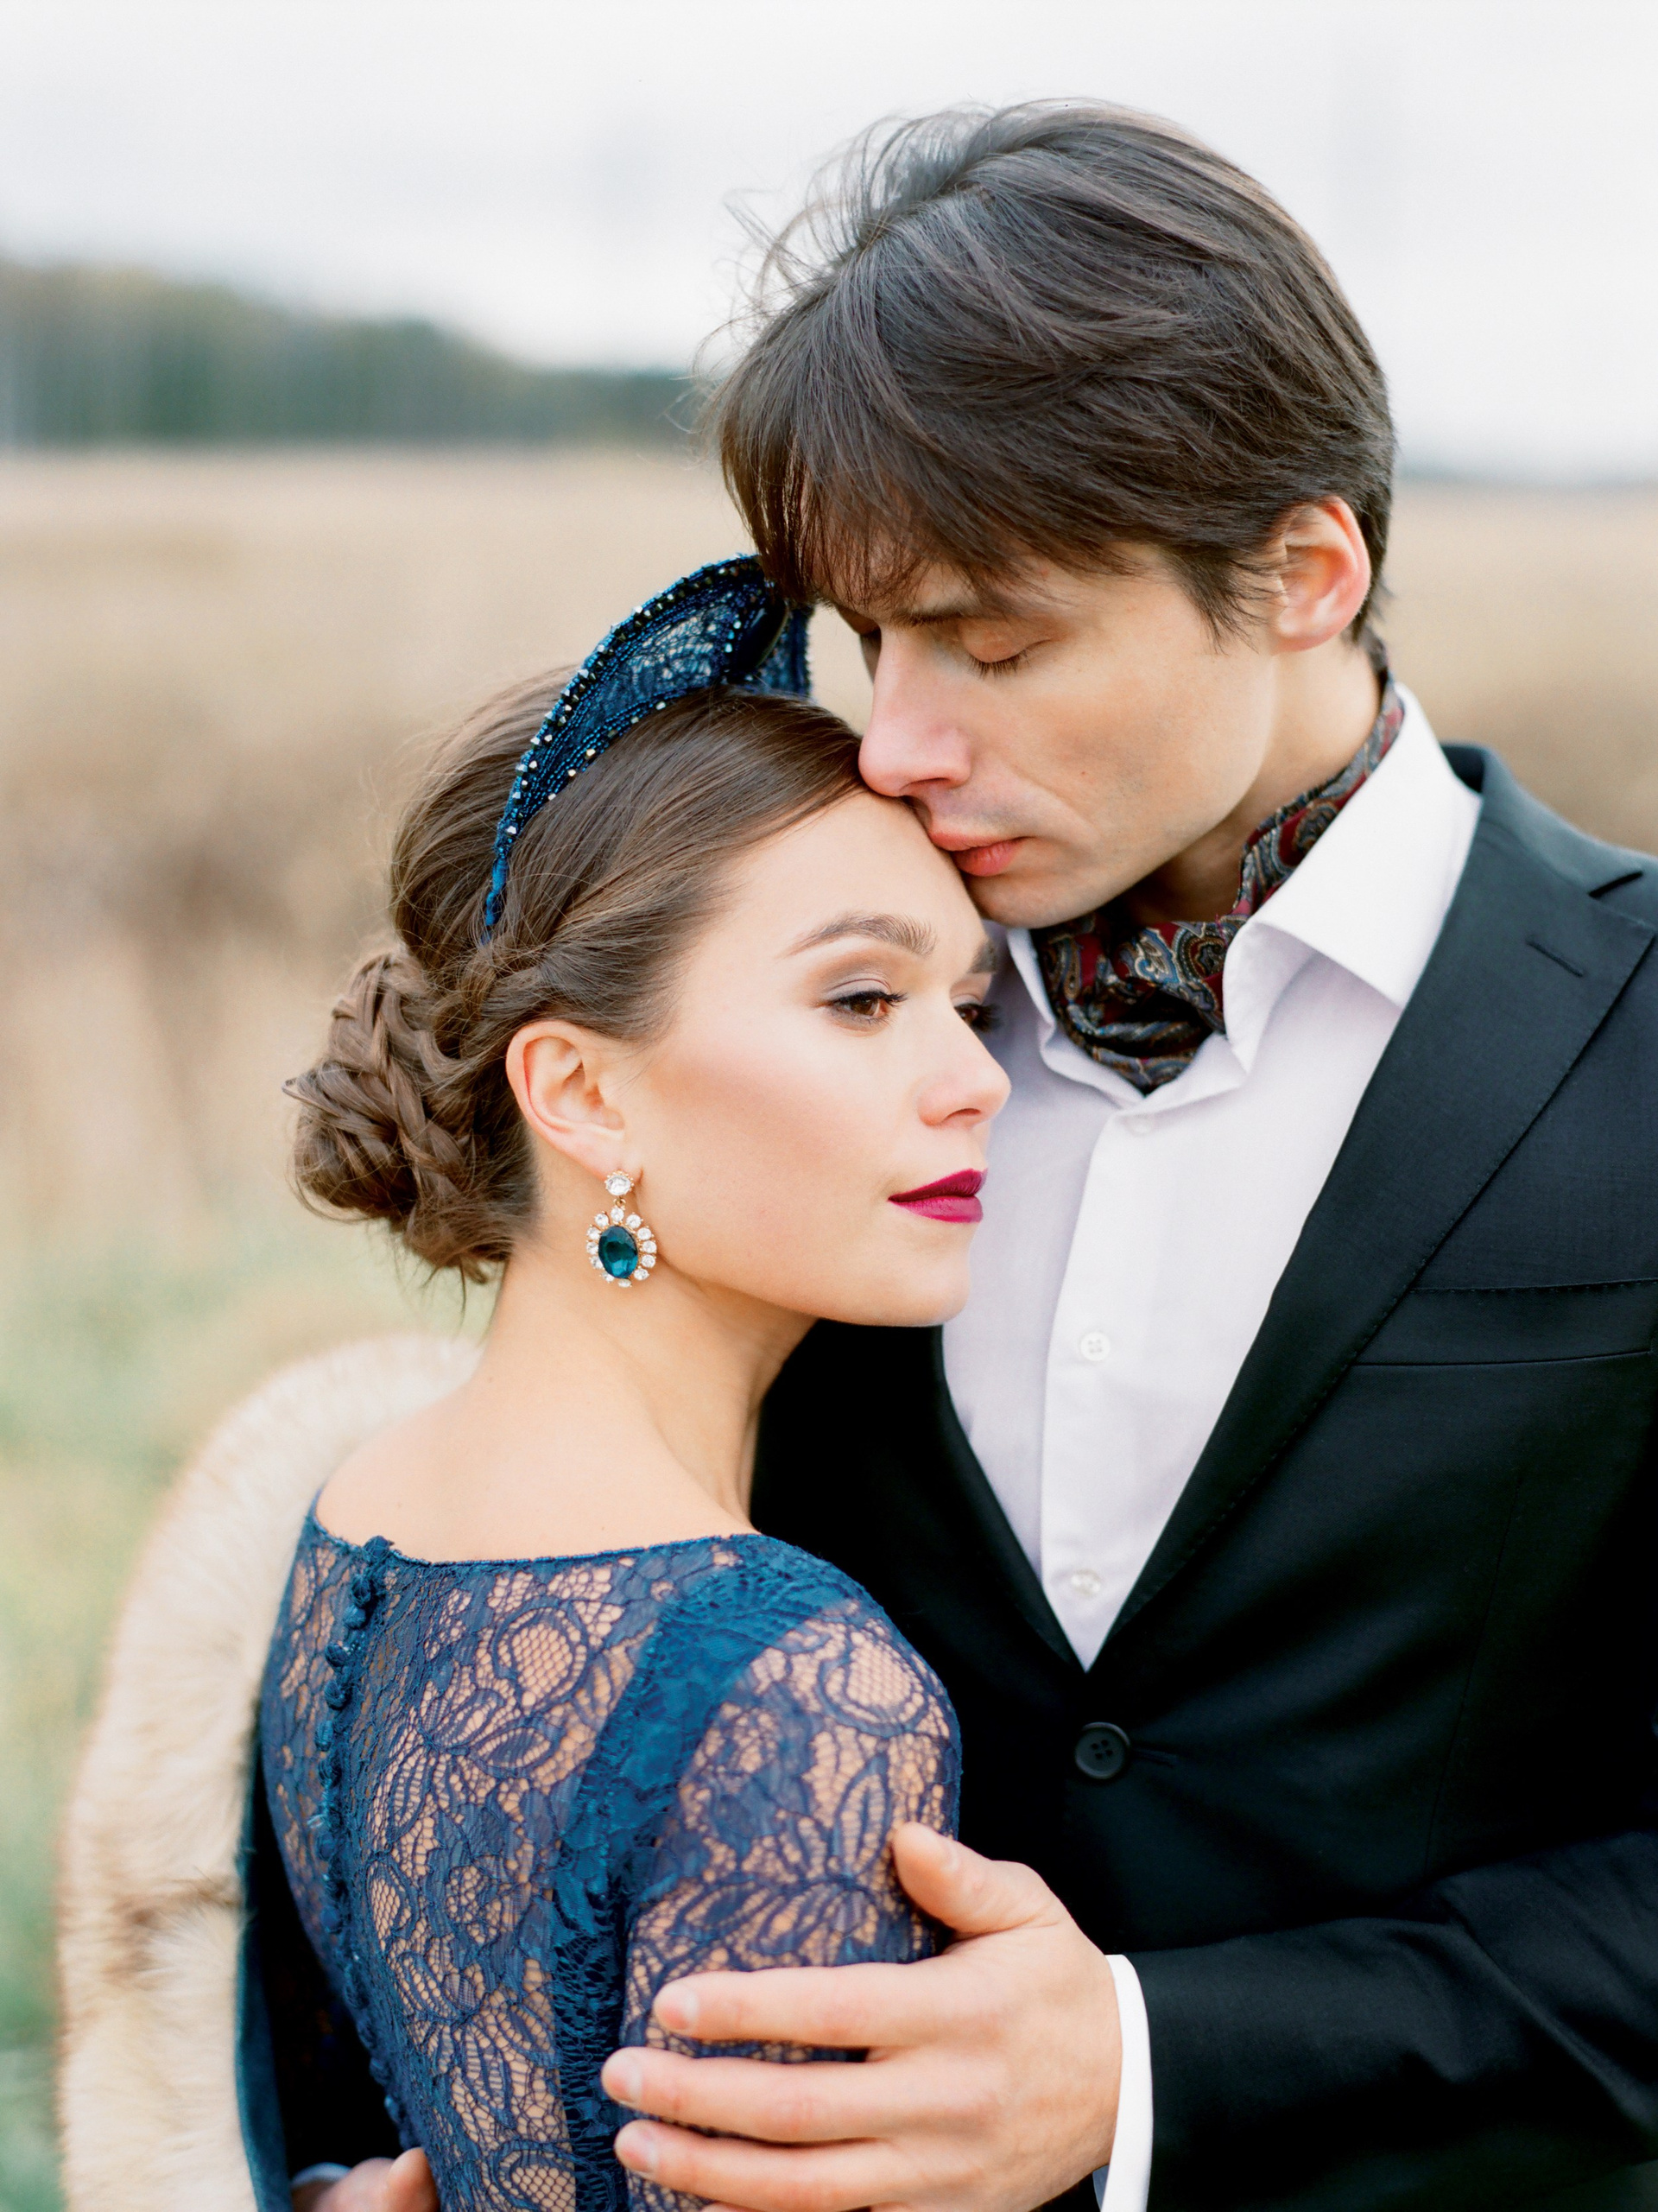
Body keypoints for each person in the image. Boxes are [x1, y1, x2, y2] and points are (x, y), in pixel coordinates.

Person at [579, 105, 1658, 2212]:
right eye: (868, 644)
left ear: (1305, 573)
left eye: (994, 644)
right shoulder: (797, 1027)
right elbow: (558, 1574)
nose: (899, 743)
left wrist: (1157, 2064)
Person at [57, 560, 1019, 2211]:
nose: (975, 1078)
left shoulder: (357, 1517)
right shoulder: (795, 1690)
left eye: (969, 999)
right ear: (578, 1090)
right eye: (864, 999)